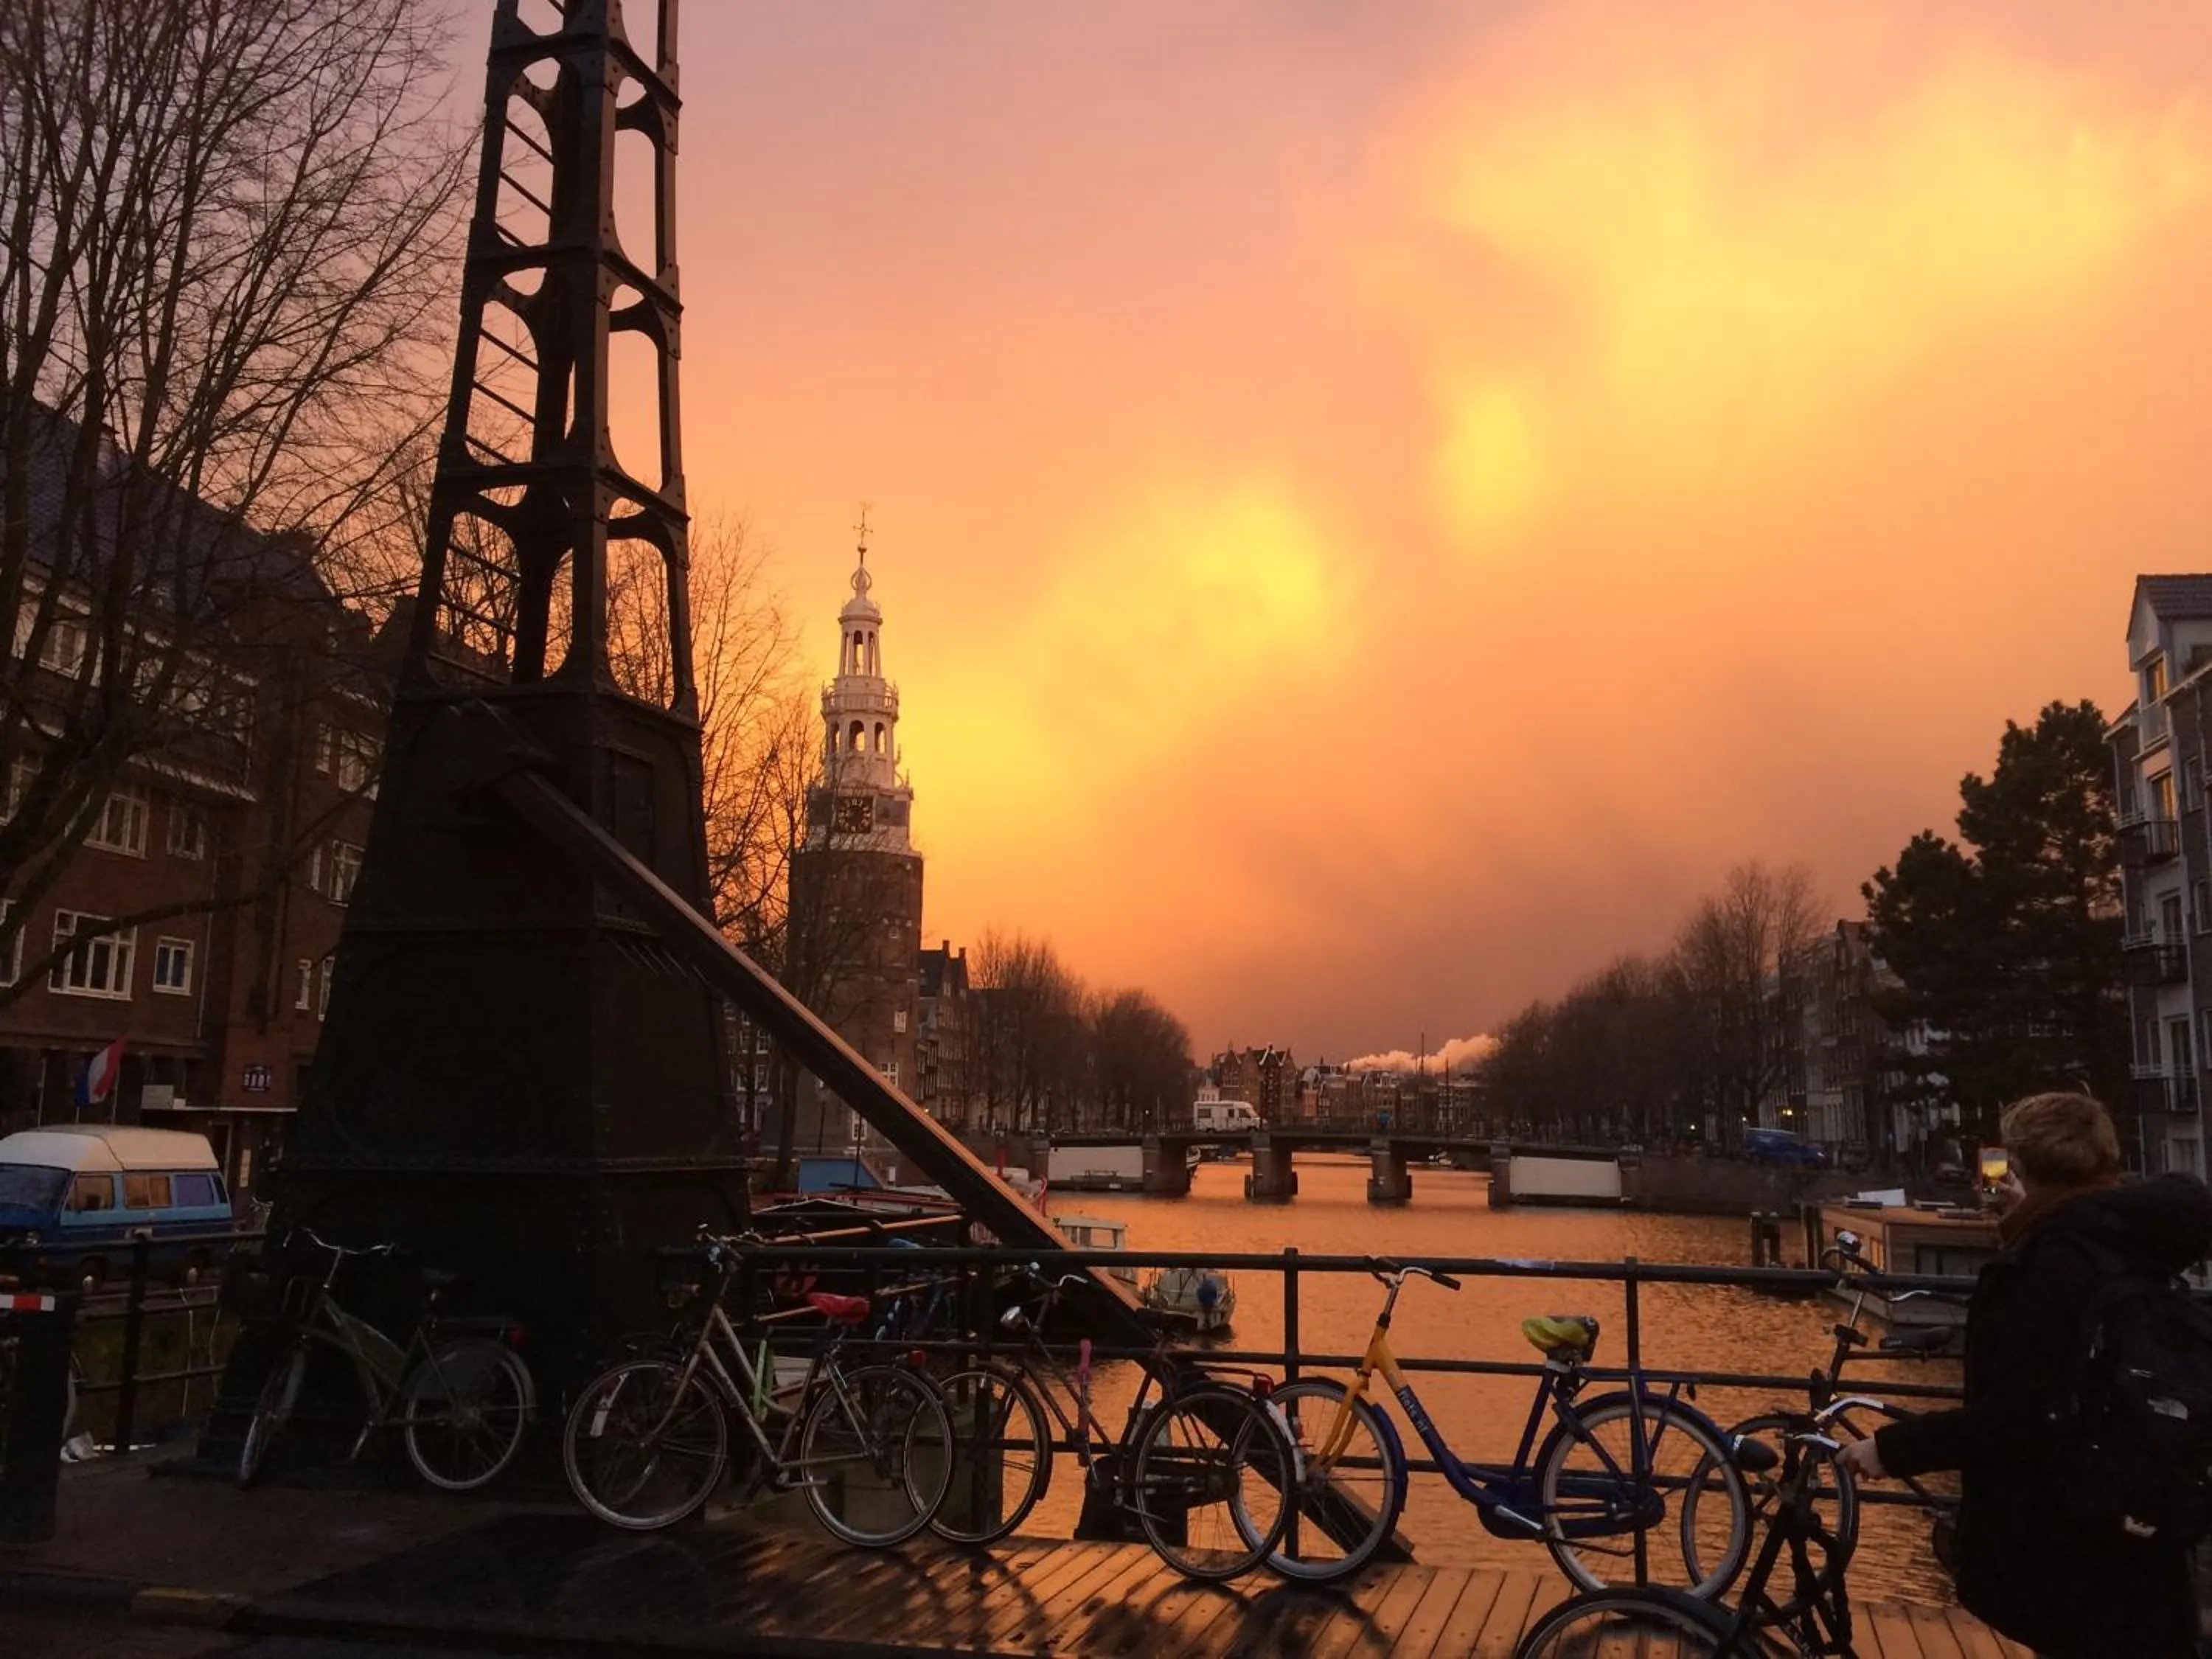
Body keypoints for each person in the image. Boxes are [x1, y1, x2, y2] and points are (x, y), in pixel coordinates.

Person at [1837, 1091, 2212, 1659]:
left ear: (2020, 1164)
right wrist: (2028, 1217)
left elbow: (2016, 1414)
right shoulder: (2130, 1239)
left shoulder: (2046, 1266)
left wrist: (1891, 1448)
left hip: (2074, 1548)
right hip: (2146, 1538)